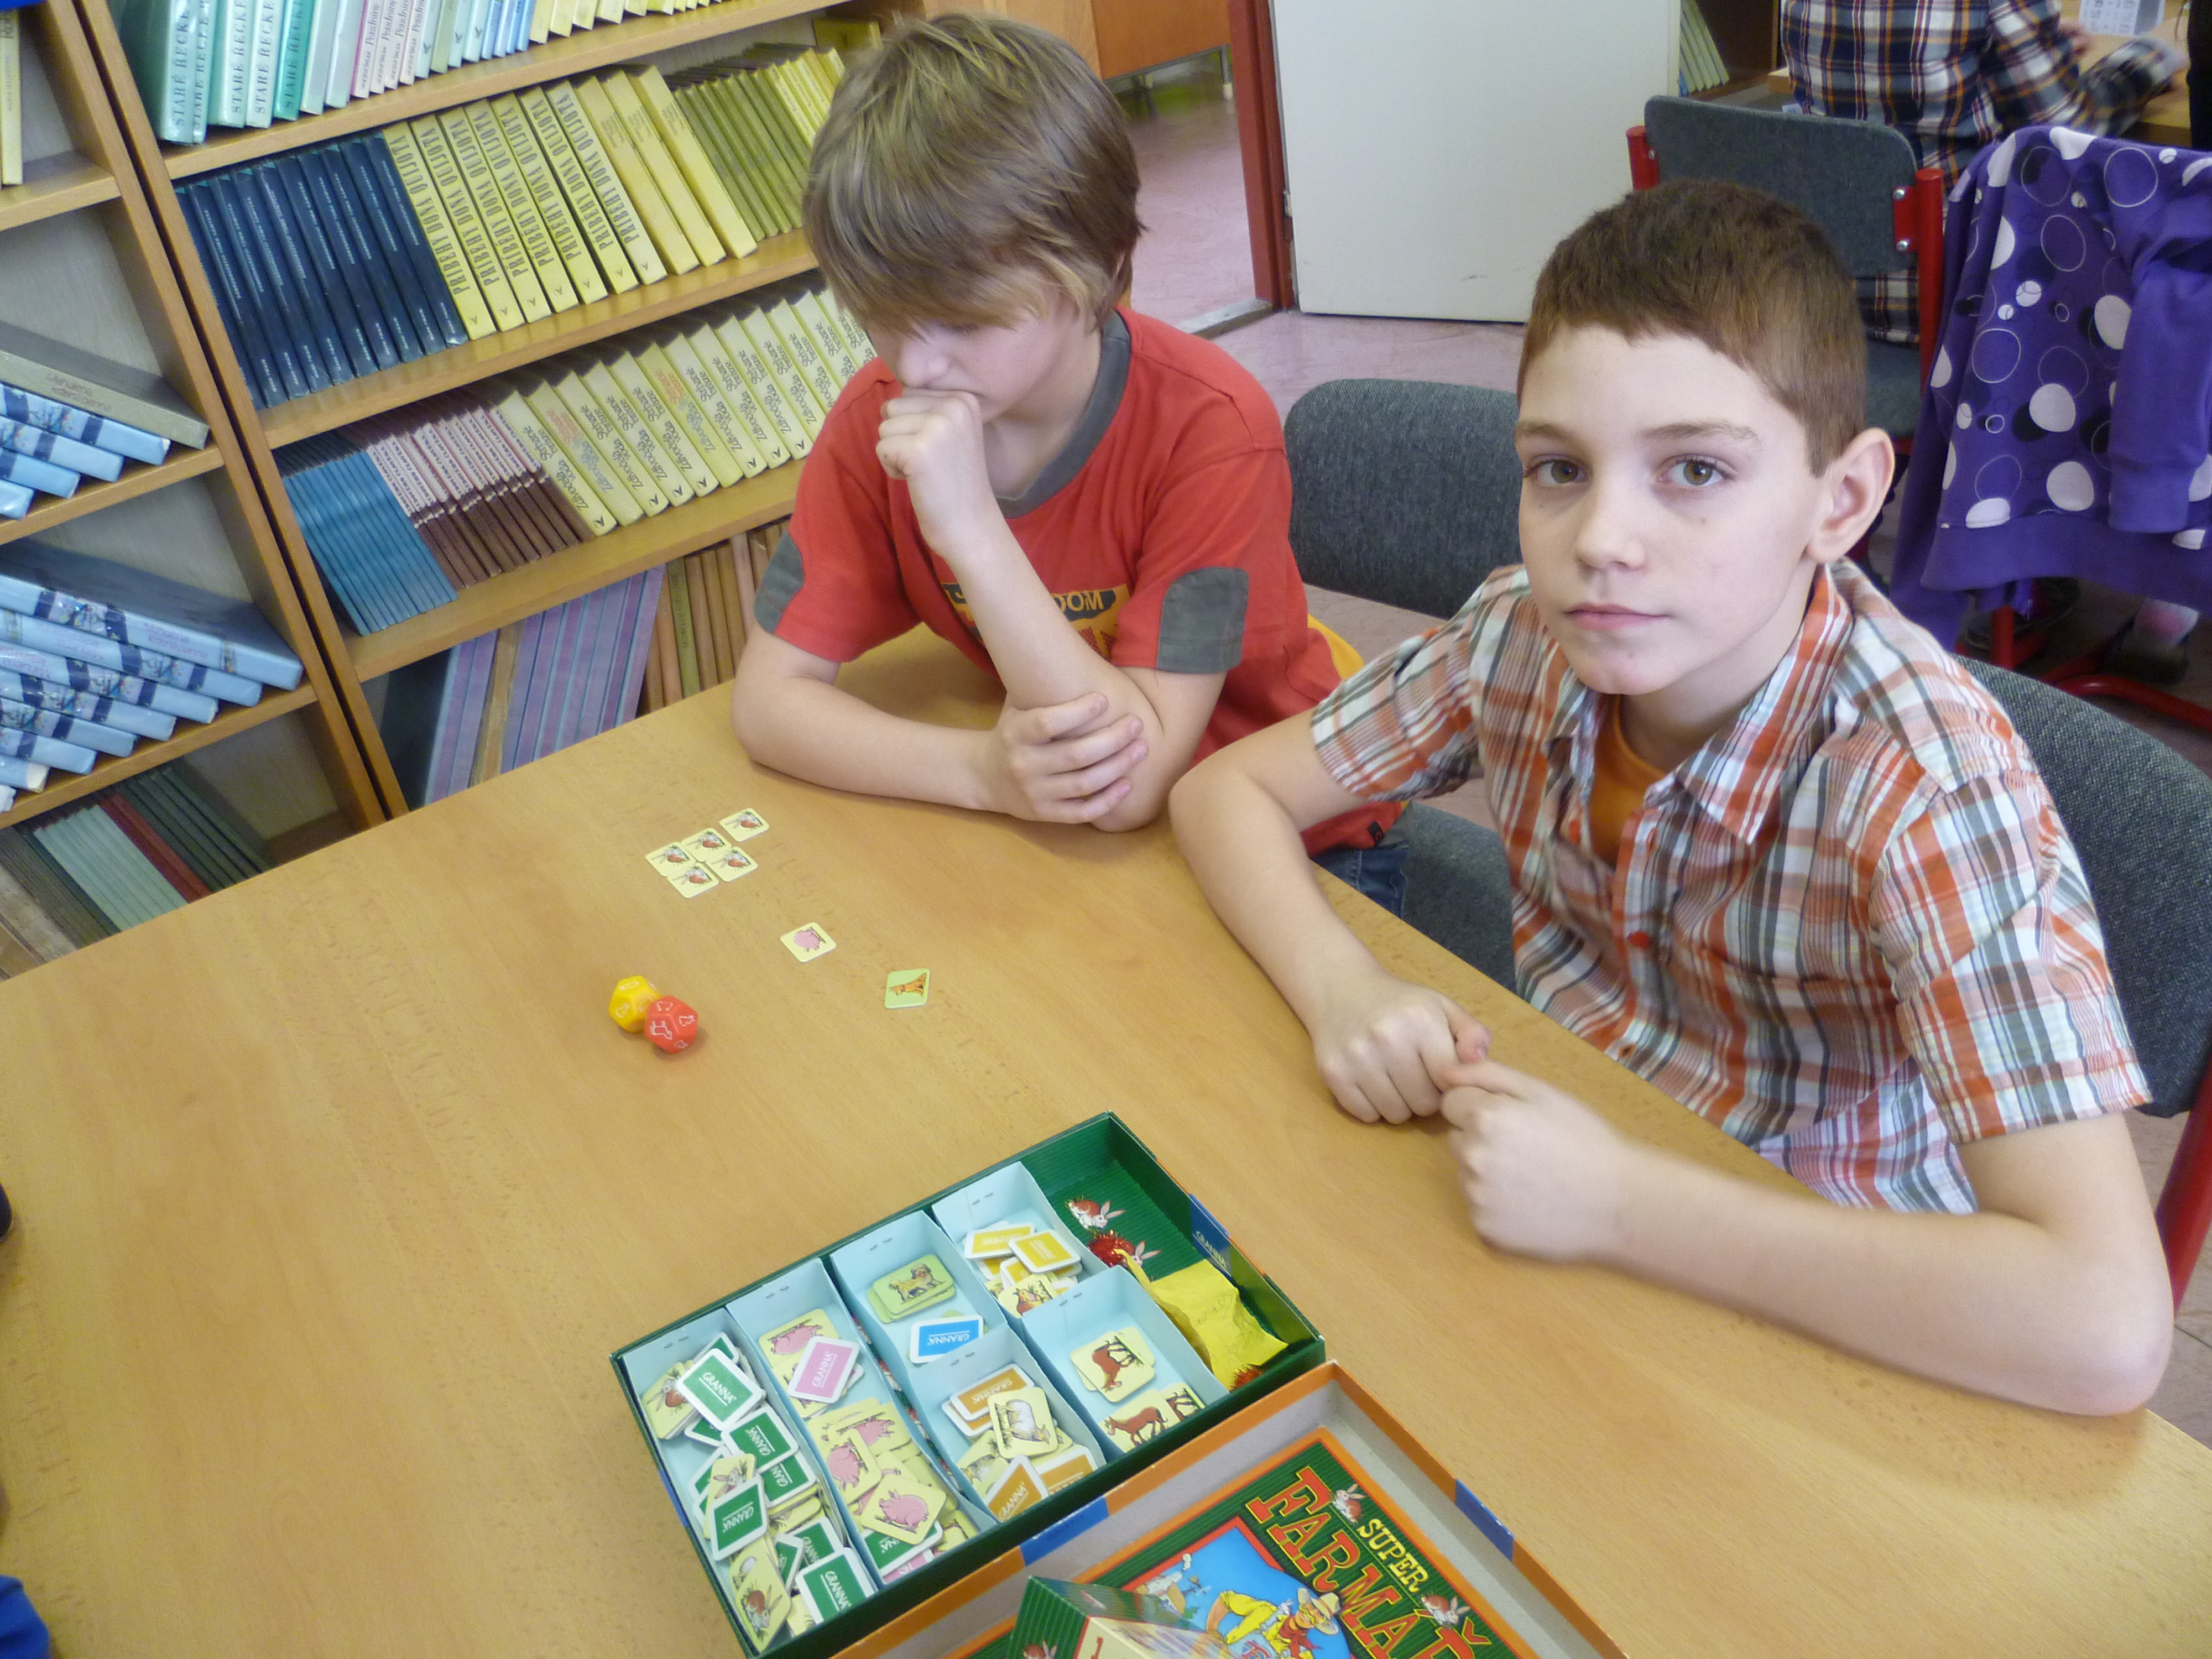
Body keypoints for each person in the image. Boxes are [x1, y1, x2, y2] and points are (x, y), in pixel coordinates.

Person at [1168, 180, 2172, 1416]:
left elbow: (2105, 1328)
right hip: (1552, 1187)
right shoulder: (1522, 634)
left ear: (1840, 501)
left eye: (1694, 469)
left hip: (1835, 1306)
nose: (1600, 539)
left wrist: (1619, 1206)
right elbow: (1226, 793)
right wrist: (1343, 989)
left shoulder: (1924, 789)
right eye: (1558, 468)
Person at [729, 13, 1396, 888]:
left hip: (1293, 835)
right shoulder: (878, 418)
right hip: (1071, 817)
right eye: (882, 318)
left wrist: (972, 530)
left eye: (965, 322)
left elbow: (1125, 787)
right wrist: (980, 774)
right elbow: (767, 704)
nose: (916, 367)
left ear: (1100, 268)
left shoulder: (1212, 427)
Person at [1780, 0, 2183, 344]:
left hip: (1824, 294)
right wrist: (2150, 58)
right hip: (1959, 308)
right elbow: (2072, 133)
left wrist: (2032, 43)